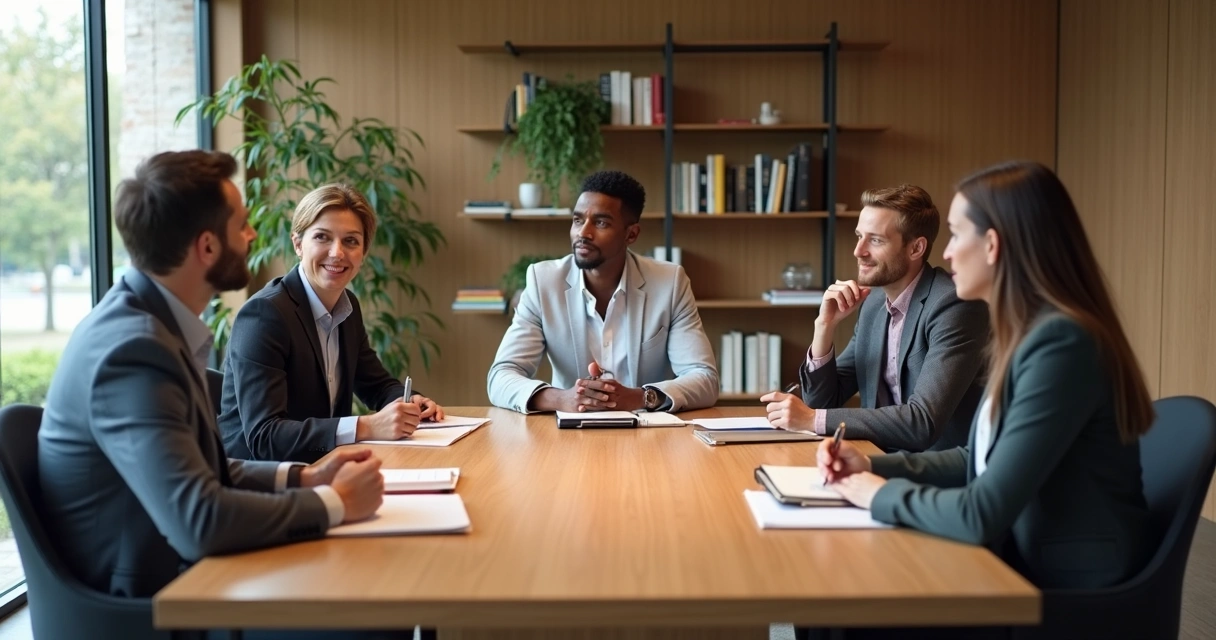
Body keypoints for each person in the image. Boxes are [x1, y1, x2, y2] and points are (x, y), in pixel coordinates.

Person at [37, 150, 387, 601]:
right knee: (368, 609)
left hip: (176, 567)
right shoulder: (134, 350)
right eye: (241, 225)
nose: (252, 233)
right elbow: (199, 521)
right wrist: (335, 503)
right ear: (207, 246)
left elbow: (203, 470)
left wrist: (303, 478)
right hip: (157, 597)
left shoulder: (148, 323)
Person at [820, 161, 1154, 595]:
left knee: (850, 594)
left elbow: (981, 513)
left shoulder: (1061, 344)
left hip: (1063, 582)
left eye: (957, 235)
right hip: (1021, 551)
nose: (946, 253)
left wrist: (873, 494)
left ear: (992, 245)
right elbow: (974, 459)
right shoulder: (1029, 331)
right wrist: (869, 465)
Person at [219, 184, 444, 463]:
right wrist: (368, 426)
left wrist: (411, 403)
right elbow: (265, 437)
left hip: (323, 467)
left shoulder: (347, 306)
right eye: (322, 237)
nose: (337, 253)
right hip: (259, 483)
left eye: (351, 241)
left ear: (363, 252)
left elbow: (376, 384)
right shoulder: (265, 314)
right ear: (298, 244)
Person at [761, 184, 989, 452]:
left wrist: (812, 419)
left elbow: (922, 422)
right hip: (872, 457)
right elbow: (823, 401)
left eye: (875, 240)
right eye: (859, 236)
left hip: (936, 474)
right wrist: (824, 326)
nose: (858, 251)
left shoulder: (953, 305)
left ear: (916, 248)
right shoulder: (874, 305)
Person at [487, 170, 718, 413]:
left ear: (631, 234)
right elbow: (501, 376)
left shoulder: (669, 283)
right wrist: (562, 399)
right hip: (569, 436)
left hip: (648, 435)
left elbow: (704, 379)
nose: (583, 233)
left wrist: (640, 397)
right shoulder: (543, 282)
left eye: (600, 223)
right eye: (578, 220)